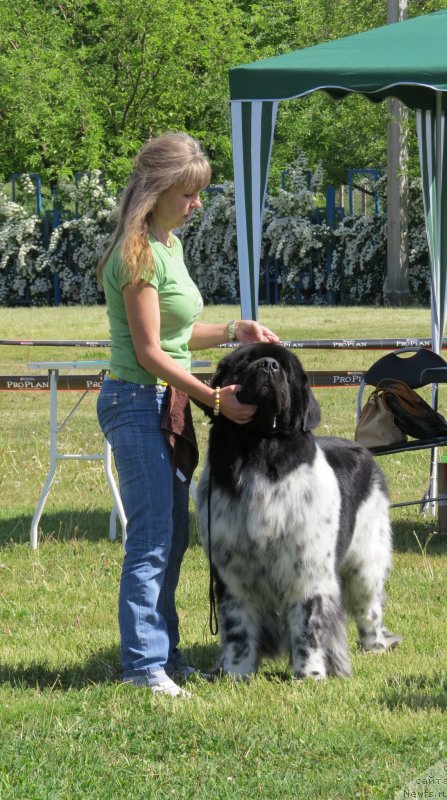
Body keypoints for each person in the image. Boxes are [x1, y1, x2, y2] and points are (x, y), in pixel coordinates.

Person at [96, 132, 279, 697]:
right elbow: (149, 352)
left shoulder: (167, 243)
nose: (197, 204)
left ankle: (166, 657)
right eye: (188, 194)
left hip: (163, 401)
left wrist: (232, 330)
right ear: (156, 190)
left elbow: (175, 334)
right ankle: (142, 666)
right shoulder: (138, 252)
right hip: (136, 401)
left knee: (174, 535)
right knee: (152, 537)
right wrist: (214, 398)